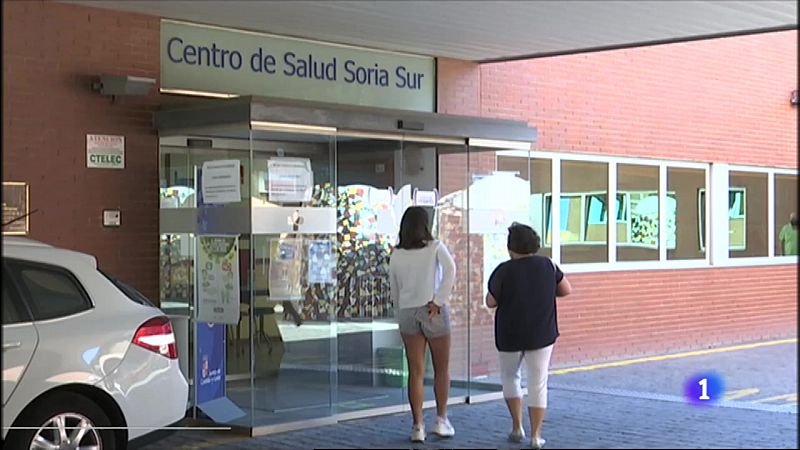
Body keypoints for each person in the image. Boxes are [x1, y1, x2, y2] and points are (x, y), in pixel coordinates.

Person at [486, 223, 572, 449]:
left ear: (510, 247)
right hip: (541, 333)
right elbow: (566, 290)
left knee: (510, 377)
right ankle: (536, 435)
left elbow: (490, 301)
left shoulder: (503, 270)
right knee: (538, 382)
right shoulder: (548, 265)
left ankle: (516, 427)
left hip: (509, 334)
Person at [389, 206, 456, 442]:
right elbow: (450, 271)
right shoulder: (435, 247)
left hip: (407, 312)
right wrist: (439, 300)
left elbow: (394, 289)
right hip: (432, 310)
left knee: (415, 371)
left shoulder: (396, 254)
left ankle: (417, 426)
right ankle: (441, 420)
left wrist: (400, 312)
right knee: (441, 369)